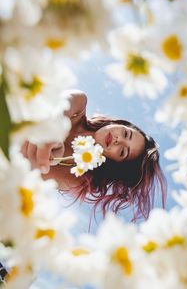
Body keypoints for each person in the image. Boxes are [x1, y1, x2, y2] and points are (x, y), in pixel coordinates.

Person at [21, 91, 167, 221]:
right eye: (125, 133)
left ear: (114, 163)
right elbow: (60, 107)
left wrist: (47, 158)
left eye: (122, 151)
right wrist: (53, 130)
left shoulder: (75, 178)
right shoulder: (79, 104)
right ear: (117, 123)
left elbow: (30, 175)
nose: (118, 140)